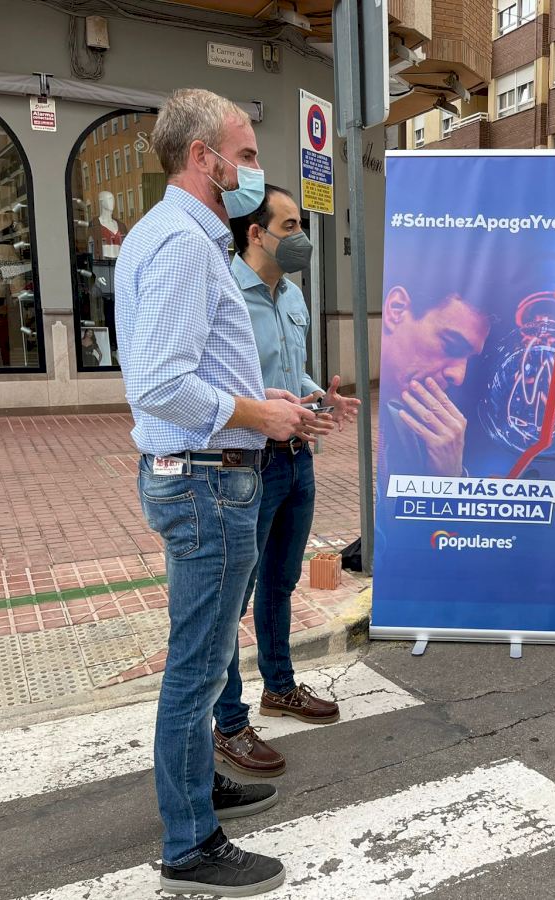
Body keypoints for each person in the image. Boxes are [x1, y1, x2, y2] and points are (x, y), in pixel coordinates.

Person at [116, 88, 322, 897]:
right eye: (245, 154)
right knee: (197, 669)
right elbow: (162, 384)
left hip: (205, 476)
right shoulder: (182, 244)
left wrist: (273, 403)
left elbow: (195, 368)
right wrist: (260, 414)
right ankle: (190, 844)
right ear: (202, 158)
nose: (253, 170)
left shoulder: (177, 236)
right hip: (205, 481)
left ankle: (199, 789)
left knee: (200, 655)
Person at [210, 185, 360, 778]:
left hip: (298, 458)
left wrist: (320, 396)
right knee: (233, 597)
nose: (301, 237)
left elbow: (288, 371)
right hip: (247, 464)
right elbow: (215, 383)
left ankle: (279, 687)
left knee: (281, 582)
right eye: (291, 225)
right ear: (256, 232)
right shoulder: (222, 292)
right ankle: (229, 722)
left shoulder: (292, 294)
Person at [377, 280, 491, 482]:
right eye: (452, 346)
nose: (459, 376)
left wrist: (451, 476)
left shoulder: (419, 429)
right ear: (396, 309)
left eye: (469, 359)